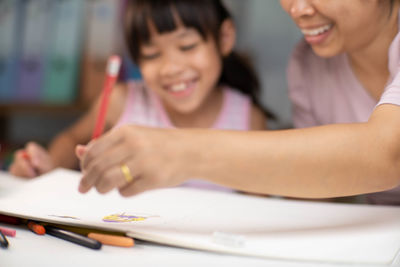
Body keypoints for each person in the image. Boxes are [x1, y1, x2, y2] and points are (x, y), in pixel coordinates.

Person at [76, 0, 400, 205]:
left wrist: (182, 152)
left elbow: (388, 154)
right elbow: (323, 189)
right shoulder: (308, 63)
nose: (296, 9)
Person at [9, 0, 268, 191]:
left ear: (224, 37)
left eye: (187, 46)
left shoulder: (247, 118)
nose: (171, 68)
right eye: (152, 54)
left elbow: (258, 198)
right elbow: (73, 138)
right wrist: (48, 164)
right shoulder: (120, 100)